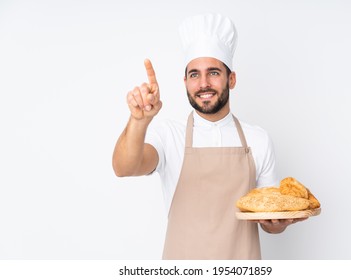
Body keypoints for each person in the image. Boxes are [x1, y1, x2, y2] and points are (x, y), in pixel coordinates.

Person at [112, 13, 306, 260]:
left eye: (213, 72)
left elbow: (268, 220)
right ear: (185, 82)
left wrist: (278, 223)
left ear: (231, 79)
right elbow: (124, 167)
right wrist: (139, 121)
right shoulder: (169, 134)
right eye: (194, 74)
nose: (203, 83)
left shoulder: (258, 139)